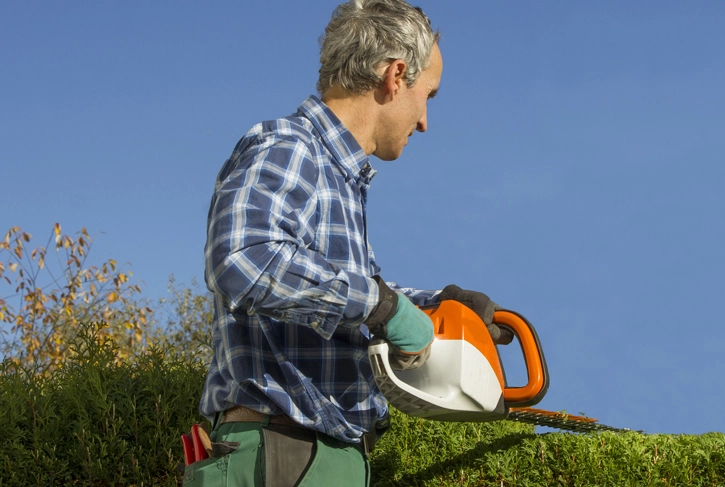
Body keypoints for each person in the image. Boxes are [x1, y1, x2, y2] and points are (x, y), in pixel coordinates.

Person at [185, 1, 509, 485]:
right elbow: (243, 259)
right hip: (282, 452)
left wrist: (434, 305)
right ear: (395, 76)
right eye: (429, 96)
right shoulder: (291, 146)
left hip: (319, 457)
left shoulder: (339, 180)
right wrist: (384, 307)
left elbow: (336, 292)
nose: (424, 122)